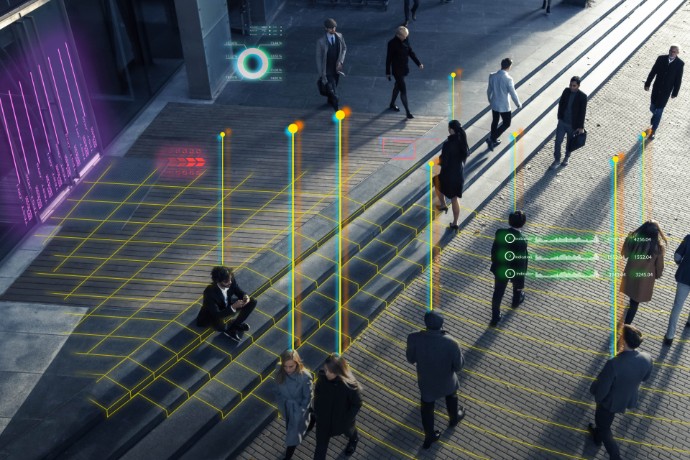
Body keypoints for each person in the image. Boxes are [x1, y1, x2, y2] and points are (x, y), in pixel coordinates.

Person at [588, 325, 653, 460]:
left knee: (604, 426)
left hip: (609, 401)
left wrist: (598, 399)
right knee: (603, 424)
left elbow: (603, 389)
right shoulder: (647, 358)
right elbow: (646, 378)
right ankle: (597, 437)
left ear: (623, 341)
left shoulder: (614, 363)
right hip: (627, 397)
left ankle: (615, 456)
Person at [406, 311, 465, 449]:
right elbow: (459, 366)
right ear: (441, 324)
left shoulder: (413, 338)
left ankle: (429, 436)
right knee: (451, 396)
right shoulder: (452, 342)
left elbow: (410, 359)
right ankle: (454, 418)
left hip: (427, 381)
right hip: (447, 380)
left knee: (426, 407)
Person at [313, 354, 362, 459]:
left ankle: (354, 440)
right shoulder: (322, 379)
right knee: (320, 450)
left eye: (330, 371)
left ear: (338, 371)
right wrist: (317, 411)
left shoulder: (350, 386)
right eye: (325, 370)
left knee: (350, 432)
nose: (326, 373)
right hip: (323, 422)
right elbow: (317, 393)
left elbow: (357, 404)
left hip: (342, 422)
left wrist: (347, 419)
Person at [619, 220, 666, 325]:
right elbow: (659, 266)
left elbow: (624, 254)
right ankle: (627, 326)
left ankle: (626, 323)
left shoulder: (635, 241)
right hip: (643, 281)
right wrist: (657, 275)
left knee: (632, 298)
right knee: (635, 303)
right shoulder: (658, 248)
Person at [196, 266, 256, 341]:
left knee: (252, 301)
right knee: (222, 328)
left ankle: (234, 325)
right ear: (218, 281)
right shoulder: (209, 292)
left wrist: (245, 296)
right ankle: (229, 328)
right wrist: (233, 307)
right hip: (213, 315)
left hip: (226, 304)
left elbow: (237, 290)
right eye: (226, 281)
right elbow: (217, 314)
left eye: (230, 279)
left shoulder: (230, 278)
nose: (230, 282)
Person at [489, 210, 528, 327]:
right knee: (517, 287)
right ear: (523, 223)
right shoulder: (522, 240)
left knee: (498, 293)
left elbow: (494, 250)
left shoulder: (499, 232)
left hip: (501, 269)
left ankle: (495, 316)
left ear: (509, 221)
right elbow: (521, 261)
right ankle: (516, 300)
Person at [275, 350, 314, 460]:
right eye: (285, 366)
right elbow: (277, 389)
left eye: (291, 366)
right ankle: (312, 419)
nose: (288, 370)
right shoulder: (279, 370)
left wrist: (300, 412)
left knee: (292, 435)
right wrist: (281, 404)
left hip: (297, 410)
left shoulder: (305, 377)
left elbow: (307, 398)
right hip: (286, 407)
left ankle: (287, 457)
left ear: (297, 363)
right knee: (295, 427)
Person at [433, 120, 470, 232]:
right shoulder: (463, 142)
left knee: (436, 181)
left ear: (451, 130)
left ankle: (443, 204)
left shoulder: (448, 144)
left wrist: (439, 161)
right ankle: (455, 222)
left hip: (448, 175)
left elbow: (444, 161)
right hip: (459, 175)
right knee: (454, 198)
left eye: (449, 128)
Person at [644, 44, 684, 140]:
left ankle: (653, 131)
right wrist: (648, 83)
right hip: (656, 88)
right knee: (652, 107)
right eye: (670, 50)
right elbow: (653, 71)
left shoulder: (680, 64)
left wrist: (675, 92)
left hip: (666, 92)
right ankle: (654, 117)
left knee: (659, 111)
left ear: (677, 53)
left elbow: (678, 79)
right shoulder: (661, 59)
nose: (671, 53)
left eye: (674, 51)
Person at [386, 26, 424, 119]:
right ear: (398, 35)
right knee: (403, 90)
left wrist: (418, 63)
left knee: (397, 86)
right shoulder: (391, 43)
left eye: (406, 36)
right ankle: (408, 112)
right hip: (397, 70)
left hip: (404, 68)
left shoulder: (406, 39)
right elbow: (389, 59)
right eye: (404, 36)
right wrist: (388, 72)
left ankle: (392, 104)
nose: (406, 38)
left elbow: (410, 52)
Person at [550, 76, 587, 169]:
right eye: (570, 85)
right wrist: (559, 117)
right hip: (562, 122)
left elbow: (582, 112)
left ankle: (567, 157)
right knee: (558, 141)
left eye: (574, 86)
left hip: (573, 125)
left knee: (569, 142)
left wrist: (581, 127)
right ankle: (557, 160)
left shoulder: (582, 97)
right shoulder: (566, 91)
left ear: (578, 86)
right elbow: (561, 103)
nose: (571, 87)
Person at [486, 58, 521, 151]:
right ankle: (492, 138)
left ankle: (493, 138)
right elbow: (513, 93)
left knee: (495, 121)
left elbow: (489, 90)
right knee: (506, 123)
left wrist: (490, 100)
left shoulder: (492, 76)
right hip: (504, 106)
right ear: (509, 67)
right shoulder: (508, 79)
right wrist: (518, 104)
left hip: (494, 103)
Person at [663, 234, 690, 345]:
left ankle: (669, 336)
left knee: (678, 306)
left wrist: (681, 264)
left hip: (684, 276)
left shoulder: (689, 238)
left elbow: (677, 256)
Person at [316, 18, 347, 111]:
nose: (333, 30)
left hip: (336, 70)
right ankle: (337, 111)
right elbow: (318, 58)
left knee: (334, 87)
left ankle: (330, 100)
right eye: (330, 28)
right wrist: (321, 74)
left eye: (334, 27)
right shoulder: (321, 42)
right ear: (326, 28)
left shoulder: (340, 36)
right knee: (334, 93)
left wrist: (341, 61)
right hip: (327, 71)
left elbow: (344, 48)